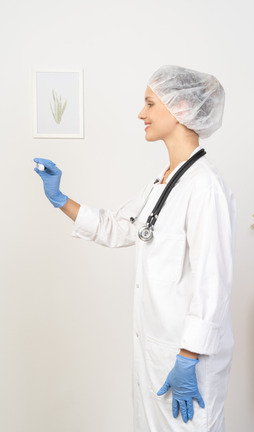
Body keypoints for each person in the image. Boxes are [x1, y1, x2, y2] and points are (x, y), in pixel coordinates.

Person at [34, 65, 237, 432]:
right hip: (158, 354)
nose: (141, 114)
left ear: (183, 109)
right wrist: (61, 199)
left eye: (149, 104)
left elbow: (213, 281)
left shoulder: (204, 187)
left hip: (185, 358)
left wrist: (189, 356)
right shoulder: (165, 182)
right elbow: (120, 227)